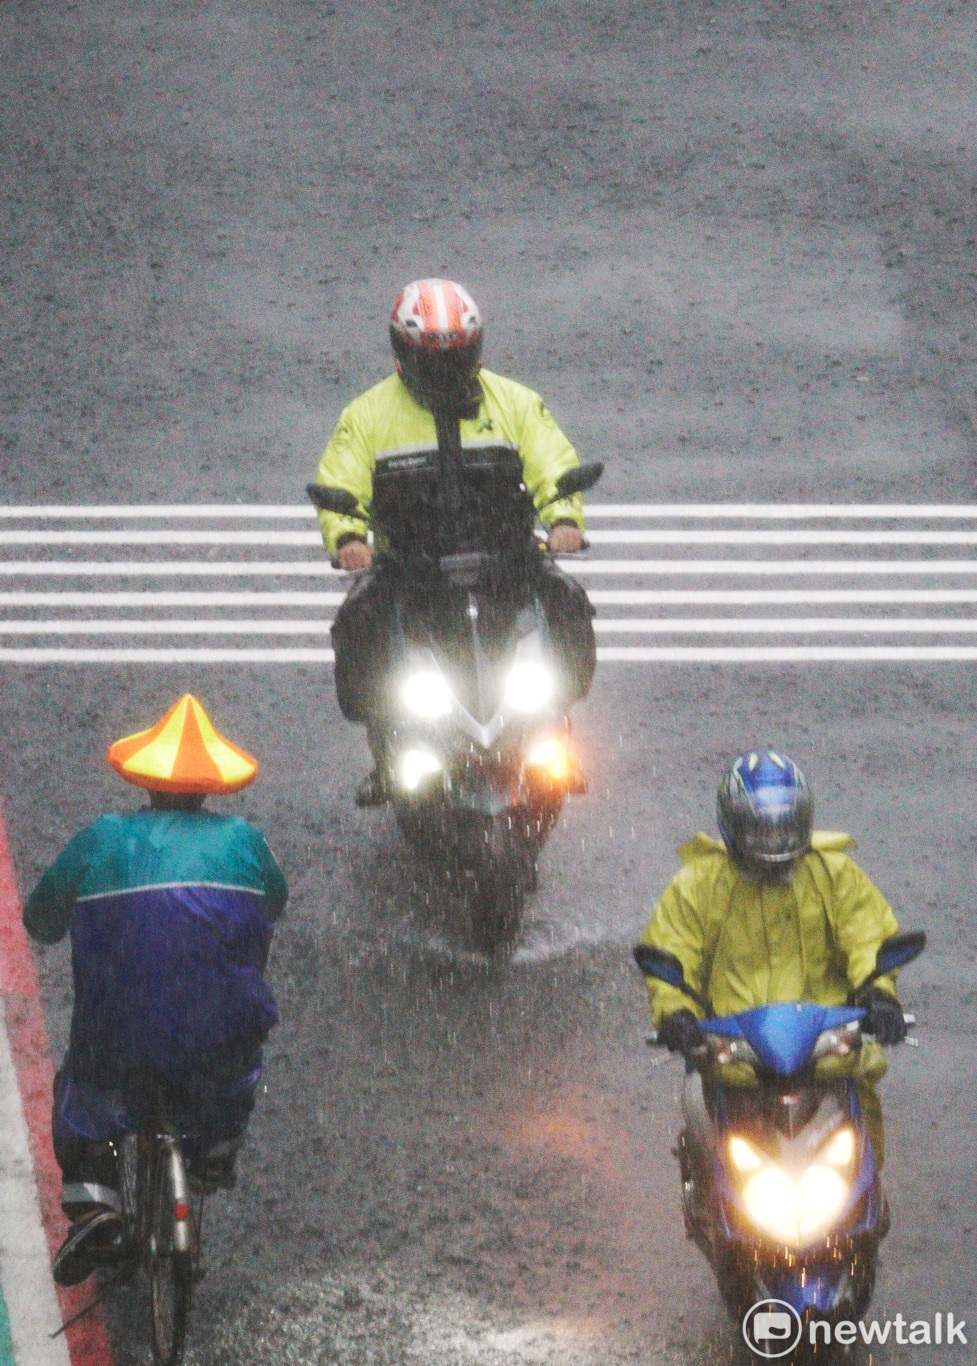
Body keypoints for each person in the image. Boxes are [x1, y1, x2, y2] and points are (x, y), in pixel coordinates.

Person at [24, 694, 288, 1287]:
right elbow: (276, 903)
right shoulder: (245, 840)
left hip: (115, 1036)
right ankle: (214, 1148)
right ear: (209, 789)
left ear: (145, 784)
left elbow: (40, 920)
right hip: (218, 1035)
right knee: (233, 1068)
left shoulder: (101, 838)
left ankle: (95, 1208)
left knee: (83, 1093)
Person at [312, 277, 596, 803]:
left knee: (570, 604)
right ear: (404, 353)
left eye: (456, 356)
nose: (444, 369)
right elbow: (341, 480)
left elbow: (553, 464)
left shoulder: (515, 403)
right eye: (432, 358)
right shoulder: (367, 416)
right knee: (356, 623)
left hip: (506, 563)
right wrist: (349, 535)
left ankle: (556, 729)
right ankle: (385, 749)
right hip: (410, 572)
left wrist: (563, 521)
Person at [637, 750, 908, 1176]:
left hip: (825, 1055)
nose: (774, 841)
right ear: (733, 826)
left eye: (784, 828)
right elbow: (673, 952)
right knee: (696, 1110)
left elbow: (869, 938)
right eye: (760, 830)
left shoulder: (835, 874)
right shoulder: (697, 885)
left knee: (865, 1110)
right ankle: (706, 1195)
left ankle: (867, 1205)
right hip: (734, 1061)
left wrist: (880, 996)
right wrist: (676, 1015)